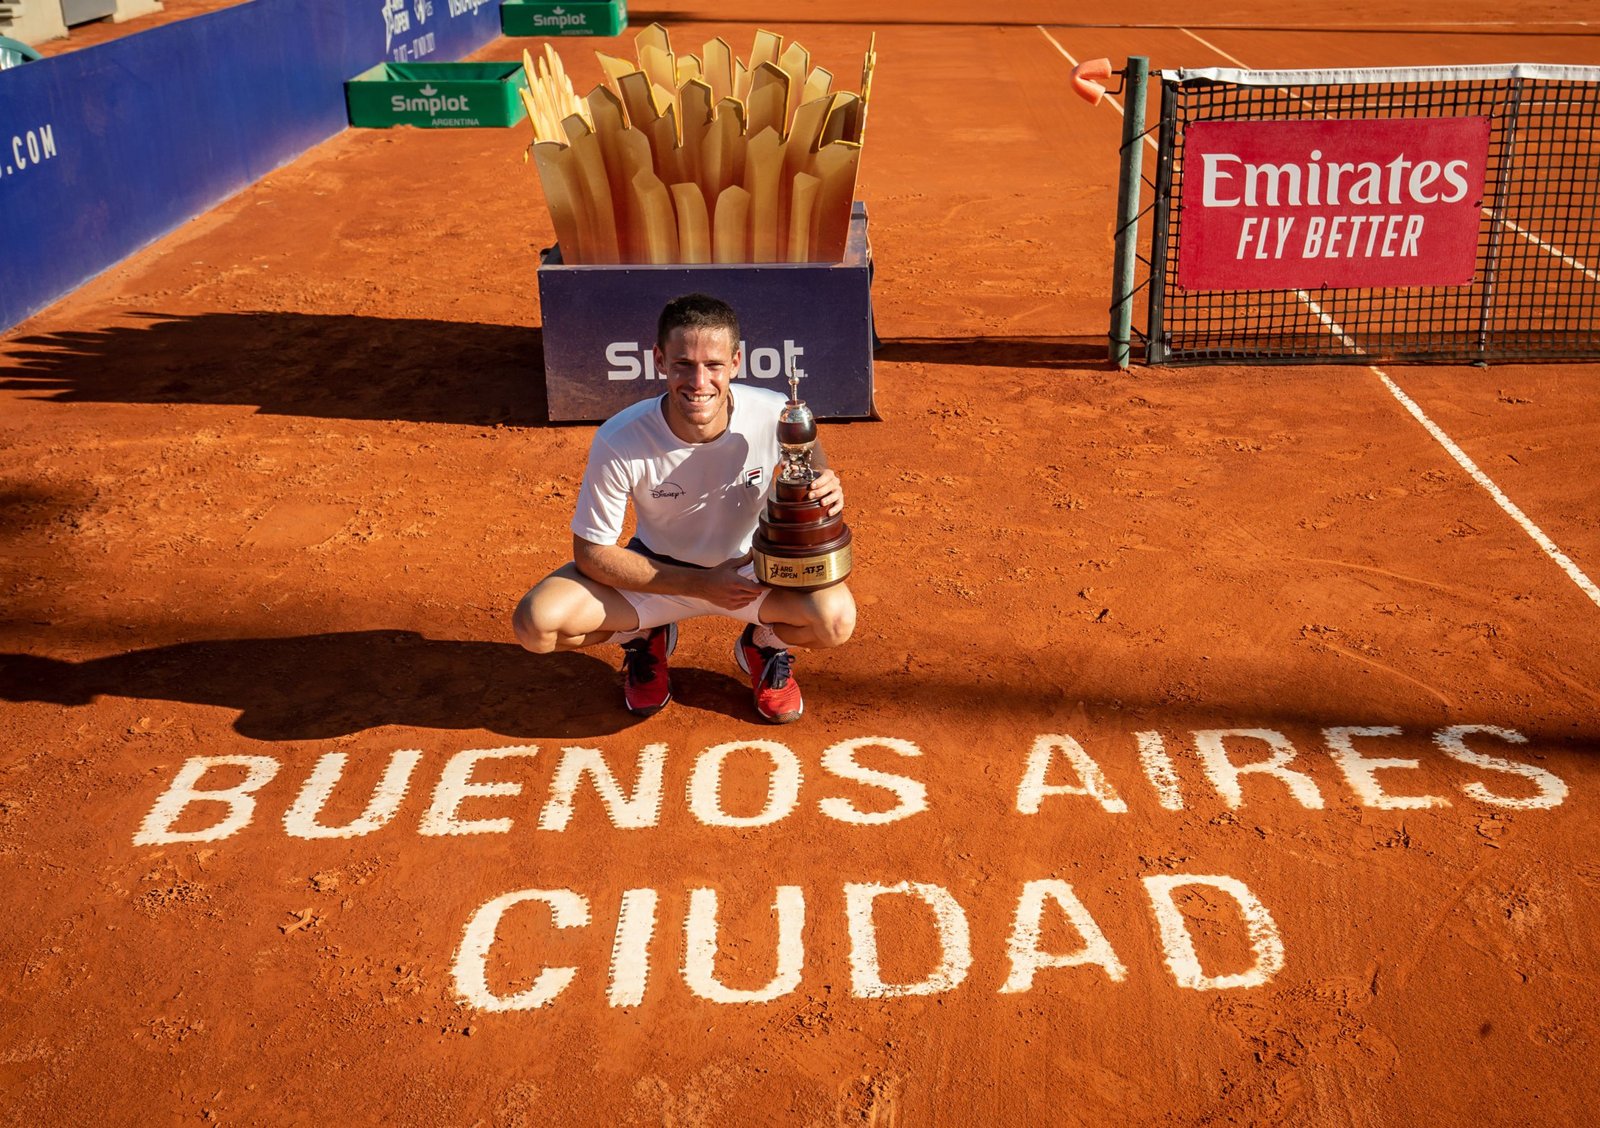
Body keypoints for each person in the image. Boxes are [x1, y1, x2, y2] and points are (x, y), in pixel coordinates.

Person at [513, 293, 856, 723]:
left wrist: (825, 483)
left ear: (735, 363)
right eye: (683, 365)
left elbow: (812, 464)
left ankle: (764, 644)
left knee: (835, 621)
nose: (698, 382)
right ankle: (643, 636)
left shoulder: (774, 413)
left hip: (753, 576)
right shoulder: (621, 438)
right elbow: (591, 553)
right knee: (537, 624)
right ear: (660, 361)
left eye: (713, 365)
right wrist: (700, 584)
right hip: (658, 577)